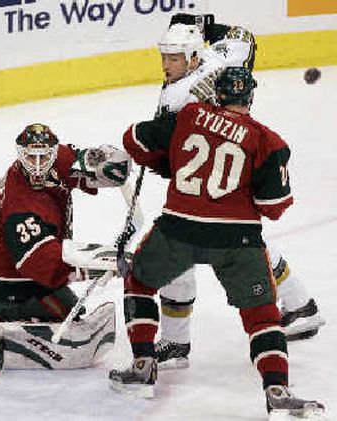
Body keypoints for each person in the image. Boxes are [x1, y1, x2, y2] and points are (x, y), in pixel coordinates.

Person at [109, 67, 325, 418]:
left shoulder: (190, 116)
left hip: (179, 229)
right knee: (262, 314)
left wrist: (169, 159)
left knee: (140, 282)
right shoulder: (267, 140)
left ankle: (143, 365)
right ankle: (277, 390)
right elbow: (274, 207)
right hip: (236, 238)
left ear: (217, 94)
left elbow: (134, 140)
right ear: (250, 97)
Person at [153, 14, 324, 368]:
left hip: (210, 175)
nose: (167, 65)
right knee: (242, 239)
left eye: (174, 58)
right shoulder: (218, 56)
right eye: (164, 57)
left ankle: (174, 342)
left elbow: (167, 154)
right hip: (228, 166)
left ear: (191, 56)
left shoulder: (178, 98)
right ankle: (300, 305)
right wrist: (204, 24)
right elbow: (244, 36)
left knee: (181, 247)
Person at [0, 123, 131, 376]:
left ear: (53, 153)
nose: (38, 165)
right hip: (5, 279)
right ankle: (3, 323)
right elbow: (42, 263)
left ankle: (1, 308)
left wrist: (107, 165)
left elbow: (82, 163)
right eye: (31, 157)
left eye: (44, 157)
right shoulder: (22, 205)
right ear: (20, 155)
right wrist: (100, 265)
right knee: (66, 315)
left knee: (66, 305)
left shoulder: (57, 159)